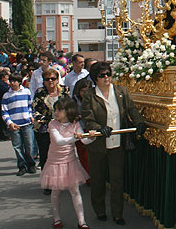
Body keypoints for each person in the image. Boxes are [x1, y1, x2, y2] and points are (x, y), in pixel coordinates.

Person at [82, 62, 146, 226]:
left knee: (117, 180)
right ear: (95, 78)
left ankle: (118, 214)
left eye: (108, 74)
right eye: (102, 75)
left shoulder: (121, 91)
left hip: (117, 143)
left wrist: (139, 122)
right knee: (98, 179)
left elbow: (131, 109)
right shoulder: (90, 95)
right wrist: (98, 128)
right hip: (98, 145)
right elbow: (87, 118)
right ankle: (100, 210)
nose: (106, 78)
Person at [41, 97, 92, 229]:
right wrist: (75, 137)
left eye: (60, 109)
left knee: (75, 191)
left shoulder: (75, 124)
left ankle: (82, 221)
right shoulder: (52, 124)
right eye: (55, 109)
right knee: (55, 192)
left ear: (68, 110)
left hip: (70, 161)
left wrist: (91, 136)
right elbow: (59, 141)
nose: (56, 112)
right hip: (55, 162)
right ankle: (57, 219)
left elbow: (85, 141)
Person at [33, 67, 69, 185]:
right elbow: (35, 111)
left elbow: (70, 108)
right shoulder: (40, 92)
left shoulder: (64, 91)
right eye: (47, 79)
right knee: (46, 156)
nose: (50, 81)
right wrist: (50, 121)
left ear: (58, 80)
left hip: (62, 128)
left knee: (62, 156)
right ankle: (47, 182)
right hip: (44, 129)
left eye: (53, 79)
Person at [2, 73, 36, 176]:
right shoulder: (6, 95)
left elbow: (30, 105)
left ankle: (31, 164)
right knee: (17, 146)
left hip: (26, 122)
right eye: (11, 81)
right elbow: (4, 111)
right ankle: (22, 166)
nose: (12, 83)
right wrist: (9, 122)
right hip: (14, 124)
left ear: (19, 82)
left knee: (29, 145)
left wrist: (30, 115)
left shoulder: (26, 92)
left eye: (15, 81)